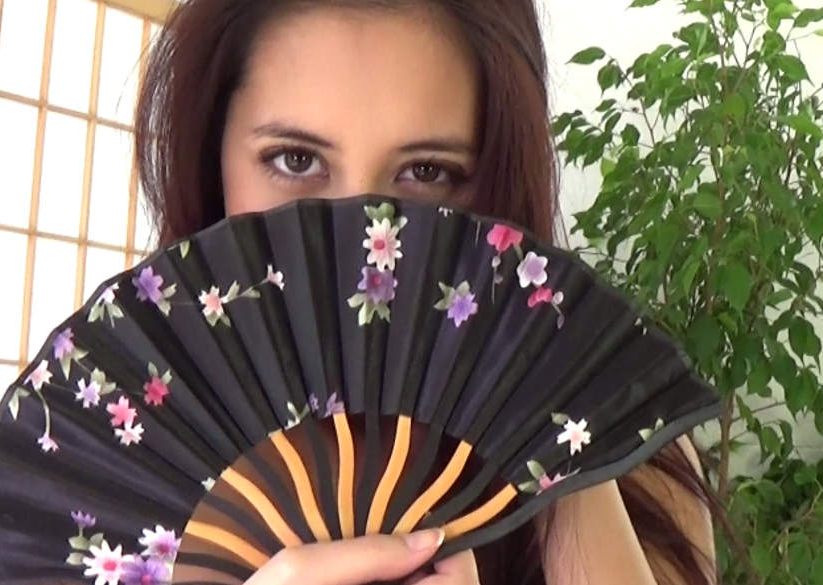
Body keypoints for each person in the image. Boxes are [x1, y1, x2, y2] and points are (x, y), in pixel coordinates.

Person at [134, 1, 725, 583]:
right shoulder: (127, 449)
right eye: (295, 159)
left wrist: (546, 414)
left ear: (496, 186)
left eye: (426, 172)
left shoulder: (640, 476)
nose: (366, 241)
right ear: (211, 159)